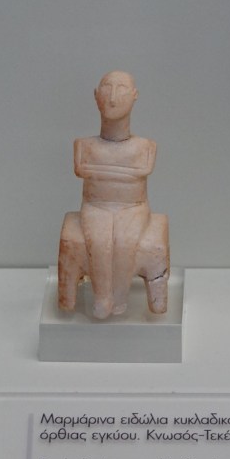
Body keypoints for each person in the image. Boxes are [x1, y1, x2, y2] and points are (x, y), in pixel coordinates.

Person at [74, 71, 157, 317]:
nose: (112, 97)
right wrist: (125, 173)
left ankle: (119, 297)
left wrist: (102, 171)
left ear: (134, 96)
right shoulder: (83, 146)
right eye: (106, 88)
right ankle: (102, 297)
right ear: (96, 95)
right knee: (99, 240)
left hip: (133, 207)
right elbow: (82, 170)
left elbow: (140, 171)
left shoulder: (146, 147)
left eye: (121, 89)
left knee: (125, 240)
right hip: (95, 205)